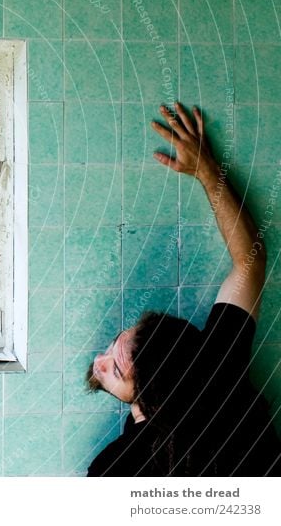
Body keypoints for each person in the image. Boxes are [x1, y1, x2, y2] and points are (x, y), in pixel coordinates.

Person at [86, 102, 281, 476]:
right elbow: (250, 261)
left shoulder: (118, 468)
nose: (99, 361)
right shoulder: (217, 367)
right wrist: (207, 172)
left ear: (153, 397)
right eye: (113, 348)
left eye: (114, 368)